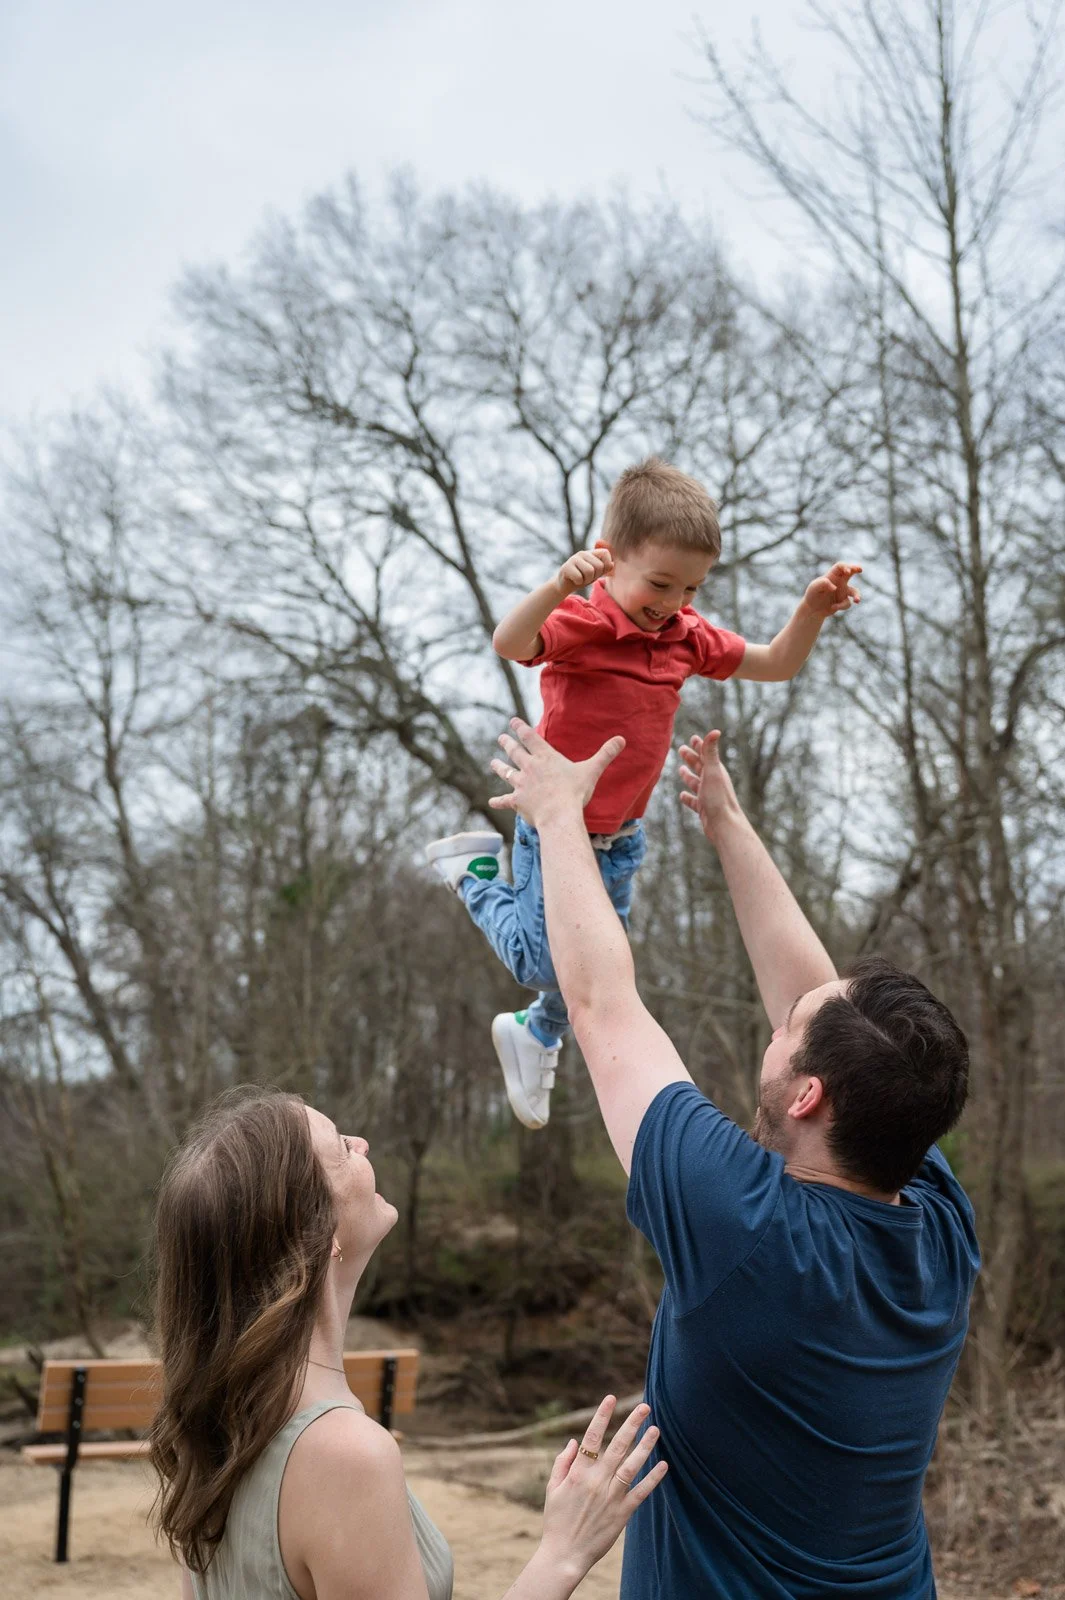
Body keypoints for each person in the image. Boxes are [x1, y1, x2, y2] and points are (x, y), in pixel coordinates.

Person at [486, 717, 980, 1600]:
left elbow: (600, 1005)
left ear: (805, 1097)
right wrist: (724, 820)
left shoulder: (746, 1229)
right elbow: (822, 1014)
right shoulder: (936, 1222)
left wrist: (559, 820)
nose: (778, 1019)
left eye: (785, 1032)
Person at [425, 457, 861, 1129]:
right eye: (659, 582)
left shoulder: (685, 637)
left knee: (602, 973)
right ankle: (476, 873)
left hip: (622, 838)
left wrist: (810, 611)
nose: (673, 602)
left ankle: (538, 1032)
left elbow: (775, 664)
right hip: (556, 829)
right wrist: (554, 587)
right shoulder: (584, 623)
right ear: (607, 560)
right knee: (544, 964)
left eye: (691, 586)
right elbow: (511, 642)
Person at [149, 1088, 666, 1600]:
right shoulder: (342, 1455)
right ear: (316, 1227)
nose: (363, 1143)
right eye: (341, 1148)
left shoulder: (215, 1438)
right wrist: (564, 1552)